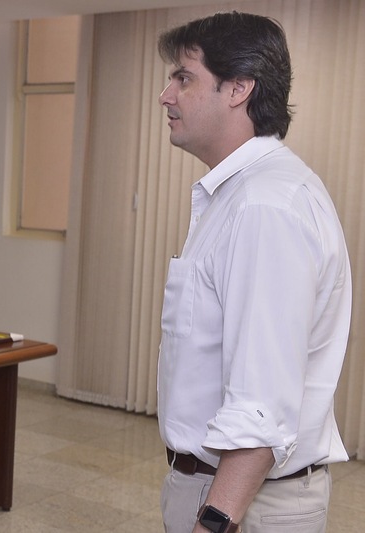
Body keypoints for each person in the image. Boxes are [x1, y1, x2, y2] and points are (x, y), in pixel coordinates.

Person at [156, 12, 351, 533]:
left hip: (242, 503)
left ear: (239, 88)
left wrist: (216, 521)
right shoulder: (241, 195)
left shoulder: (264, 206)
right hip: (216, 488)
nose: (166, 96)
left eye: (183, 78)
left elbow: (261, 405)